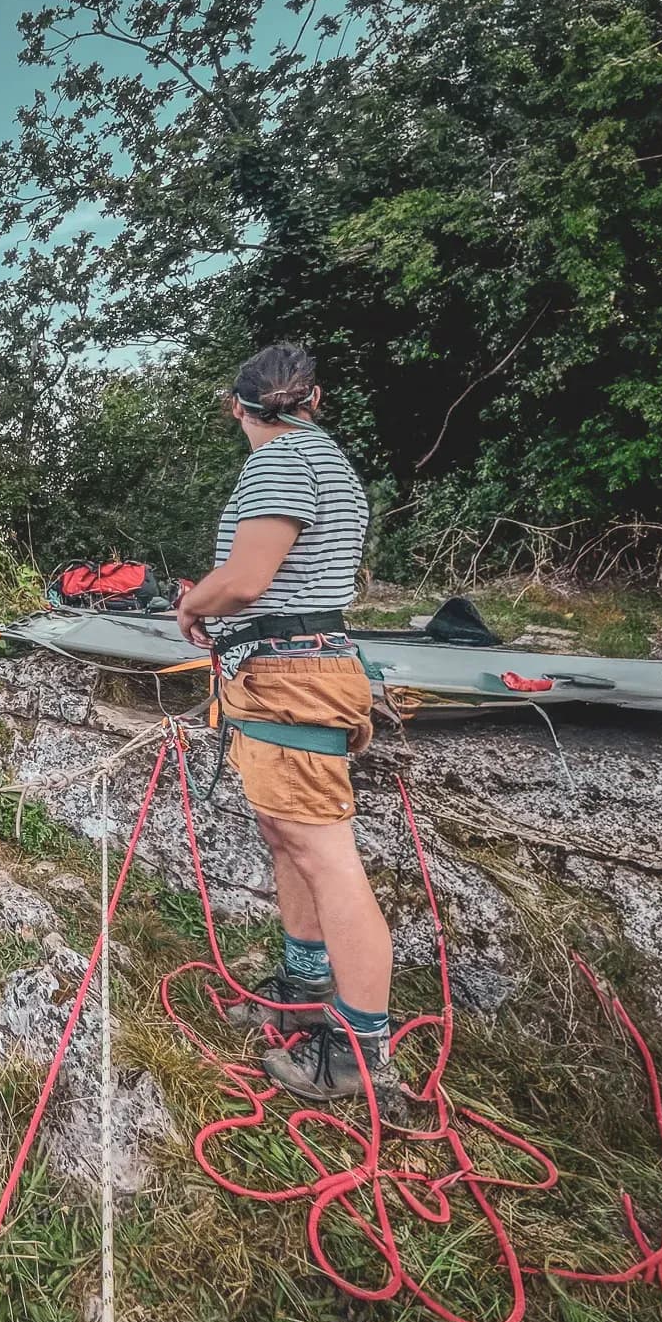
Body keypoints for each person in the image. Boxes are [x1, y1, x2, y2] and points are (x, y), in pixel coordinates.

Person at [171, 343, 408, 1123]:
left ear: (237, 407)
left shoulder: (280, 462)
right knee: (287, 838)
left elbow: (247, 578)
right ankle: (305, 989)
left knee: (325, 855)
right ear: (315, 397)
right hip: (288, 667)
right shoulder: (328, 457)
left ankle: (360, 1050)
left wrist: (195, 605)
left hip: (291, 672)